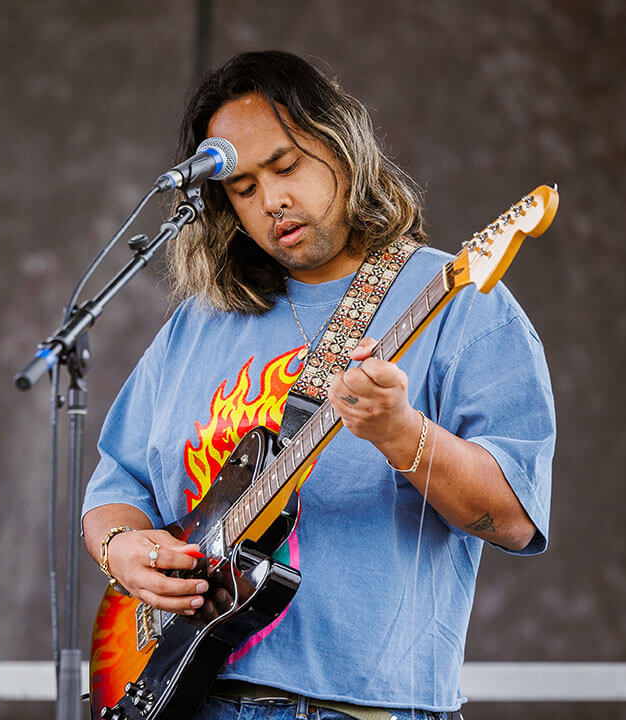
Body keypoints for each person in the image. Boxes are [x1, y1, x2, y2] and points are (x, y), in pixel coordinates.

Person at [82, 51, 554, 719]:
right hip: (177, 696)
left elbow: (511, 517)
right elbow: (115, 486)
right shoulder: (199, 322)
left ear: (344, 148)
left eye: (286, 165)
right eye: (243, 188)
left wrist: (400, 433)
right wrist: (123, 548)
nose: (271, 200)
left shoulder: (462, 302)